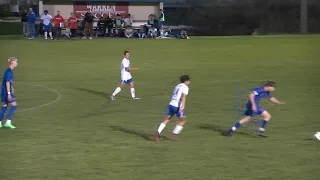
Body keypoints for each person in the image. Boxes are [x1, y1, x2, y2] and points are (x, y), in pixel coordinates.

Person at [154, 75, 191, 142]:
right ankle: (174, 134)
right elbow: (183, 97)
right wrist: (182, 107)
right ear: (187, 81)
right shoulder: (185, 87)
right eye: (189, 81)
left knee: (166, 119)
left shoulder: (177, 85)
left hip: (171, 104)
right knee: (183, 120)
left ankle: (157, 132)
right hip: (177, 106)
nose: (189, 82)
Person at [0, 57, 19, 129]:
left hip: (3, 90)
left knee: (4, 106)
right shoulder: (9, 72)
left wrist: (12, 87)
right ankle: (8, 122)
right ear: (12, 63)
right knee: (14, 105)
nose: (16, 63)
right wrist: (8, 93)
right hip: (6, 91)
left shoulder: (7, 70)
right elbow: (7, 82)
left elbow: (8, 81)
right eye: (16, 62)